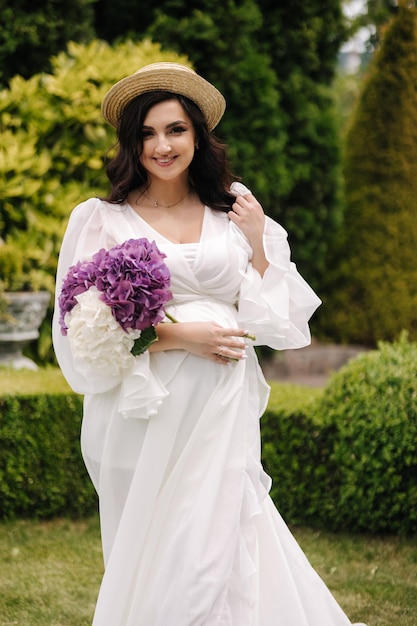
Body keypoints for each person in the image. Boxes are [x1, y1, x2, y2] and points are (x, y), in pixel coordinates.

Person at [52, 62, 366, 626]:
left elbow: (281, 320)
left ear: (197, 135)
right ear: (131, 143)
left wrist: (258, 242)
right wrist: (176, 336)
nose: (162, 145)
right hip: (146, 413)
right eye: (147, 133)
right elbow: (82, 329)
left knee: (215, 544)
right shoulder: (102, 219)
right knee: (157, 543)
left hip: (221, 407)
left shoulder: (235, 207)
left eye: (175, 130)